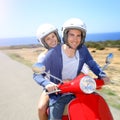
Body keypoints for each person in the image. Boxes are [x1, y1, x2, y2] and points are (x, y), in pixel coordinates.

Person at [33, 18, 110, 120]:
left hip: (79, 90)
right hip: (59, 93)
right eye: (71, 35)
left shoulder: (83, 50)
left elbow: (92, 64)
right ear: (65, 35)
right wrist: (48, 84)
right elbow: (37, 74)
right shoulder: (53, 52)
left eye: (79, 35)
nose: (75, 39)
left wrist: (102, 75)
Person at [36, 23, 61, 120]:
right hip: (52, 88)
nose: (52, 40)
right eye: (48, 39)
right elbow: (38, 75)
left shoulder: (68, 50)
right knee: (41, 108)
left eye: (53, 36)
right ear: (44, 42)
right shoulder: (42, 57)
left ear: (57, 35)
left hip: (71, 85)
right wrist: (47, 84)